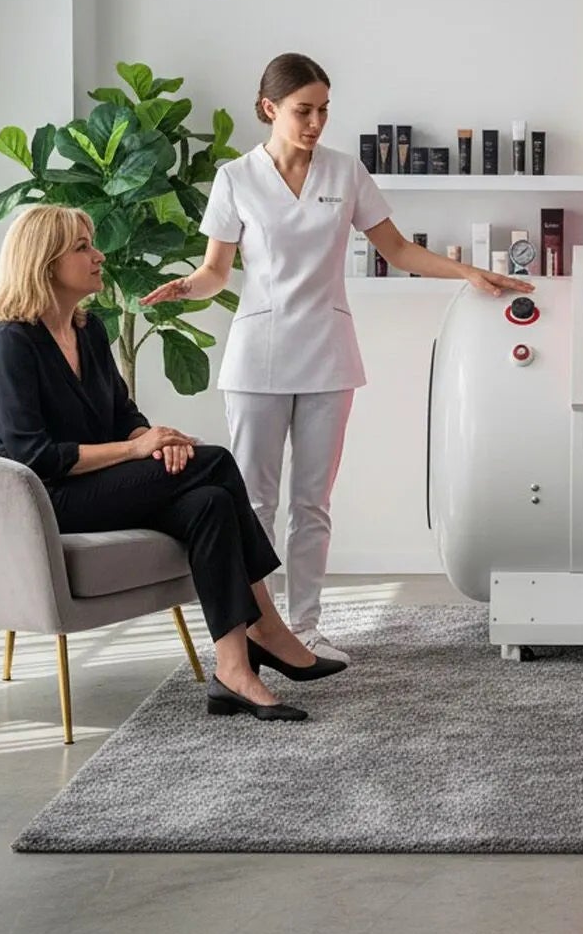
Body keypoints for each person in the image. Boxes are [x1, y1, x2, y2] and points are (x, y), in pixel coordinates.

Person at [139, 52, 525, 662]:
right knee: (254, 502)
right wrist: (186, 286)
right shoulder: (236, 178)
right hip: (258, 358)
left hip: (328, 353)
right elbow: (216, 272)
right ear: (269, 108)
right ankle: (257, 629)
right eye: (303, 111)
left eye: (323, 110)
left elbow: (398, 250)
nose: (316, 123)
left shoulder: (346, 173)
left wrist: (468, 273)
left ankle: (307, 627)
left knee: (312, 503)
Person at [0, 204, 345, 723]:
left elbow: (123, 414)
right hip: (51, 500)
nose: (98, 255)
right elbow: (31, 456)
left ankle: (233, 671)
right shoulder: (11, 345)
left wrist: (154, 441)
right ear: (44, 262)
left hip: (102, 484)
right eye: (82, 247)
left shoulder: (89, 330)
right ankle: (266, 625)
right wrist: (136, 450)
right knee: (217, 461)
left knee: (210, 502)